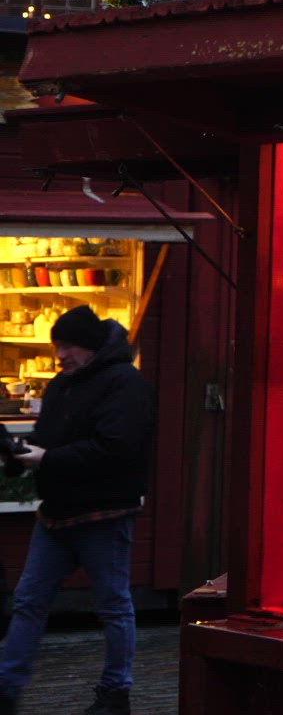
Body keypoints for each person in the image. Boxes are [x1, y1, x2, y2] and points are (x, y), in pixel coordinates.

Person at [0, 306, 155, 715]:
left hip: (104, 514)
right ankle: (7, 688)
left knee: (112, 606)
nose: (60, 355)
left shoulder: (125, 384)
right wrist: (18, 455)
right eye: (58, 346)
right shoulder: (62, 384)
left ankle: (115, 693)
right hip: (57, 513)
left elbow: (115, 449)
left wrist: (45, 458)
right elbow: (47, 440)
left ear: (90, 345)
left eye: (67, 346)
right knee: (29, 601)